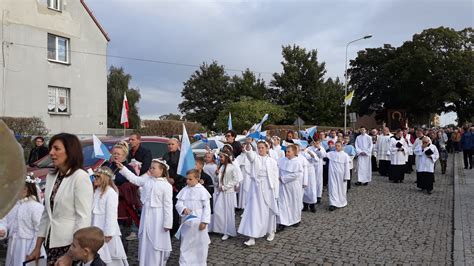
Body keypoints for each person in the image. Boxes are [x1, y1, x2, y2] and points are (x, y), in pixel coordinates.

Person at [27, 133, 93, 266]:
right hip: (50, 244)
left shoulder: (80, 177)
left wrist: (70, 255)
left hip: (68, 245)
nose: (51, 152)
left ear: (70, 152)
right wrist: (37, 247)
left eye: (56, 149)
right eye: (51, 148)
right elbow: (47, 214)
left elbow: (83, 219)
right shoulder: (52, 176)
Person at [117, 159, 173, 266]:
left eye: (154, 168)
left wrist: (167, 223)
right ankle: (145, 261)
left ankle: (155, 262)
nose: (151, 170)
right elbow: (135, 179)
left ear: (162, 170)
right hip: (146, 214)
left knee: (155, 240)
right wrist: (123, 169)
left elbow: (168, 205)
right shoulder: (147, 180)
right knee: (145, 237)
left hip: (158, 216)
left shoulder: (166, 186)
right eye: (150, 167)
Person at [238, 140, 279, 246]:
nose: (260, 149)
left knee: (269, 209)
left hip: (268, 187)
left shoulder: (272, 161)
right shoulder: (254, 158)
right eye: (259, 147)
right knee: (254, 211)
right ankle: (252, 236)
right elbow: (250, 155)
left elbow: (275, 178)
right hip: (256, 188)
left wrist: (276, 193)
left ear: (267, 148)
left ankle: (270, 231)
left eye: (262, 147)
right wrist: (248, 144)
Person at [0, 174, 45, 266]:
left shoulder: (36, 207)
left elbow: (39, 230)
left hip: (28, 246)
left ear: (25, 189)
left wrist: (34, 249)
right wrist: (2, 229)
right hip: (14, 245)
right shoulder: (13, 205)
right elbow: (4, 220)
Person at [91, 167, 128, 266]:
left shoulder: (110, 193)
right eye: (94, 176)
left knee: (109, 257)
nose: (95, 178)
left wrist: (108, 233)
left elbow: (111, 215)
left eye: (97, 176)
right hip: (95, 227)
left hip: (106, 230)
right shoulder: (96, 191)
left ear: (105, 178)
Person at [104, 141, 141, 241]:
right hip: (106, 203)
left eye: (118, 154)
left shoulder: (128, 168)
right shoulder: (109, 166)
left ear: (124, 156)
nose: (115, 155)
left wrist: (118, 190)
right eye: (114, 153)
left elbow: (133, 186)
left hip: (122, 206)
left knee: (120, 235)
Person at [175, 169, 212, 266]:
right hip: (187, 221)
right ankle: (185, 263)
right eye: (187, 179)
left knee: (200, 244)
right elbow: (178, 203)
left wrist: (205, 221)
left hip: (199, 220)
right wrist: (183, 208)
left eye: (190, 179)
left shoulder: (202, 190)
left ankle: (199, 263)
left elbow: (207, 207)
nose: (187, 181)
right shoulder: (185, 189)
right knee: (186, 243)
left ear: (197, 179)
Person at [211, 149, 239, 240]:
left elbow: (235, 180)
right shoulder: (221, 167)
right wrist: (216, 175)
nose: (220, 158)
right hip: (221, 193)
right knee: (219, 210)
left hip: (228, 193)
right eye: (219, 157)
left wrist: (225, 187)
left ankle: (228, 231)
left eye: (221, 157)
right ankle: (221, 228)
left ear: (226, 157)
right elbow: (217, 180)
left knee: (227, 212)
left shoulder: (231, 167)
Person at [276, 145, 303, 232]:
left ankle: (295, 219)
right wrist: (278, 177)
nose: (286, 153)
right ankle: (282, 222)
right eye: (286, 151)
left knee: (294, 202)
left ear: (294, 152)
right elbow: (278, 169)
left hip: (293, 186)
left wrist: (283, 178)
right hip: (283, 186)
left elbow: (296, 174)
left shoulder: (297, 162)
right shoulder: (282, 160)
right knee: (282, 203)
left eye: (289, 151)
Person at [163, 138, 186, 236]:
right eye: (168, 144)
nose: (170, 146)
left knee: (176, 207)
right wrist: (166, 178)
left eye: (172, 144)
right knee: (168, 206)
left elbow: (184, 171)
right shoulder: (165, 155)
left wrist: (174, 180)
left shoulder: (182, 156)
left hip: (178, 184)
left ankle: (175, 228)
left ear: (178, 145)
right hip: (167, 183)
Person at [327, 141, 351, 211]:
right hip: (332, 175)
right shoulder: (331, 154)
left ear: (341, 146)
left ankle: (341, 202)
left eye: (338, 146)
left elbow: (347, 167)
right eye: (336, 146)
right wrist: (319, 148)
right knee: (332, 188)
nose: (337, 147)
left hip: (341, 175)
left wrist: (346, 176)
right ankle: (333, 203)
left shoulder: (345, 155)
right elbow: (323, 154)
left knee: (341, 189)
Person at [307, 139, 326, 204]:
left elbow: (323, 155)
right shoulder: (309, 148)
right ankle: (312, 195)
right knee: (312, 181)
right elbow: (307, 156)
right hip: (311, 165)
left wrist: (319, 149)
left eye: (318, 142)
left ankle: (318, 196)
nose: (316, 144)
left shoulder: (321, 148)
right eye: (315, 142)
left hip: (318, 166)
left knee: (318, 180)